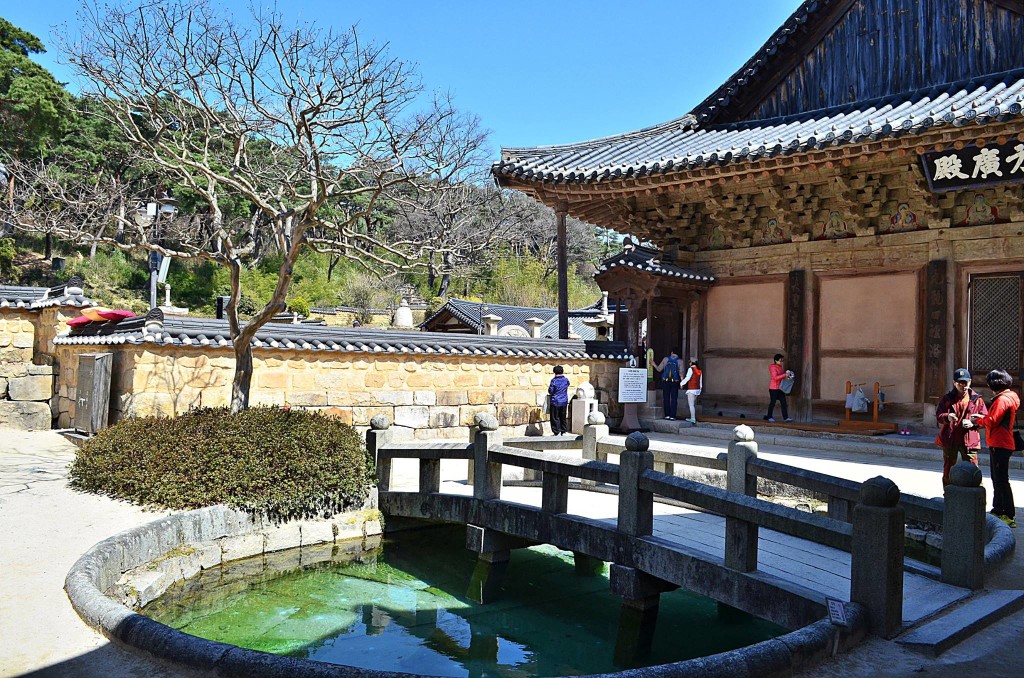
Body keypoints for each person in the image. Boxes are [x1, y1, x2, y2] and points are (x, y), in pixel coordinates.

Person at [970, 369, 1019, 527]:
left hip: (1000, 443)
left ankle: (1008, 514)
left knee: (1002, 480)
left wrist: (978, 421)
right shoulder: (1010, 396)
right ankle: (998, 509)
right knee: (997, 479)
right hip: (1000, 443)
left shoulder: (1002, 400)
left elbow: (992, 420)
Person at [935, 368, 988, 487]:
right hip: (950, 438)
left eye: (966, 383)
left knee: (973, 467)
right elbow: (939, 416)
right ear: (954, 383)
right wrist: (947, 417)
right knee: (948, 467)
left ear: (970, 382)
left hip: (970, 439)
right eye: (960, 383)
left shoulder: (977, 399)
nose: (963, 386)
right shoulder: (947, 399)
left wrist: (974, 422)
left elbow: (986, 418)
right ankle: (948, 493)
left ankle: (976, 493)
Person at [764, 354, 794, 422]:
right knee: (773, 403)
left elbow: (781, 377)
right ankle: (769, 417)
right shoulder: (773, 368)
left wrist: (787, 375)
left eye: (782, 361)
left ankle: (786, 418)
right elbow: (775, 378)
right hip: (773, 388)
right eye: (780, 361)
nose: (781, 362)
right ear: (776, 361)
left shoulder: (780, 367)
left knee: (783, 403)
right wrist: (784, 375)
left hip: (780, 388)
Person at [654, 350, 682, 420]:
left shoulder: (665, 359)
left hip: (665, 381)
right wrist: (682, 384)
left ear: (672, 352)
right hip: (675, 381)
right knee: (674, 399)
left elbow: (659, 369)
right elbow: (681, 373)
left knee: (666, 398)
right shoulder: (680, 361)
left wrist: (653, 364)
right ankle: (673, 416)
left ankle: (667, 415)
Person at [548, 365, 570, 435]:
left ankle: (556, 431)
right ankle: (564, 431)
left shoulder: (554, 381)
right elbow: (568, 384)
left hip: (555, 401)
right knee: (563, 417)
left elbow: (550, 391)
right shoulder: (566, 380)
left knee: (555, 417)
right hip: (564, 401)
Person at [682, 359, 702, 424]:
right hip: (697, 390)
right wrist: (700, 389)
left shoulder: (690, 369)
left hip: (691, 389)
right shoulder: (699, 371)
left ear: (691, 363)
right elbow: (700, 382)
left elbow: (687, 378)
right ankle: (692, 417)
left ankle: (693, 418)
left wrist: (681, 383)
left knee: (691, 405)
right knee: (693, 404)